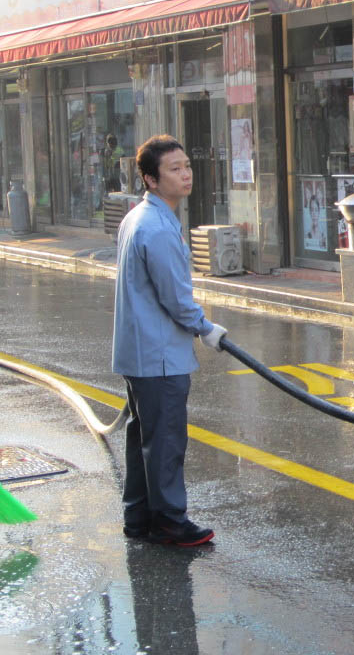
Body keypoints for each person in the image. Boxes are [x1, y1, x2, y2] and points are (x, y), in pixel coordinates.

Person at [112, 134, 227, 546]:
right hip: (159, 354)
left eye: (187, 166)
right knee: (165, 441)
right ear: (151, 179)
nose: (185, 174)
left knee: (144, 436)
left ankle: (138, 516)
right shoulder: (157, 227)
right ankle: (168, 521)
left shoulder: (138, 217)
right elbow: (176, 298)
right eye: (174, 169)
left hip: (139, 351)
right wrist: (205, 328)